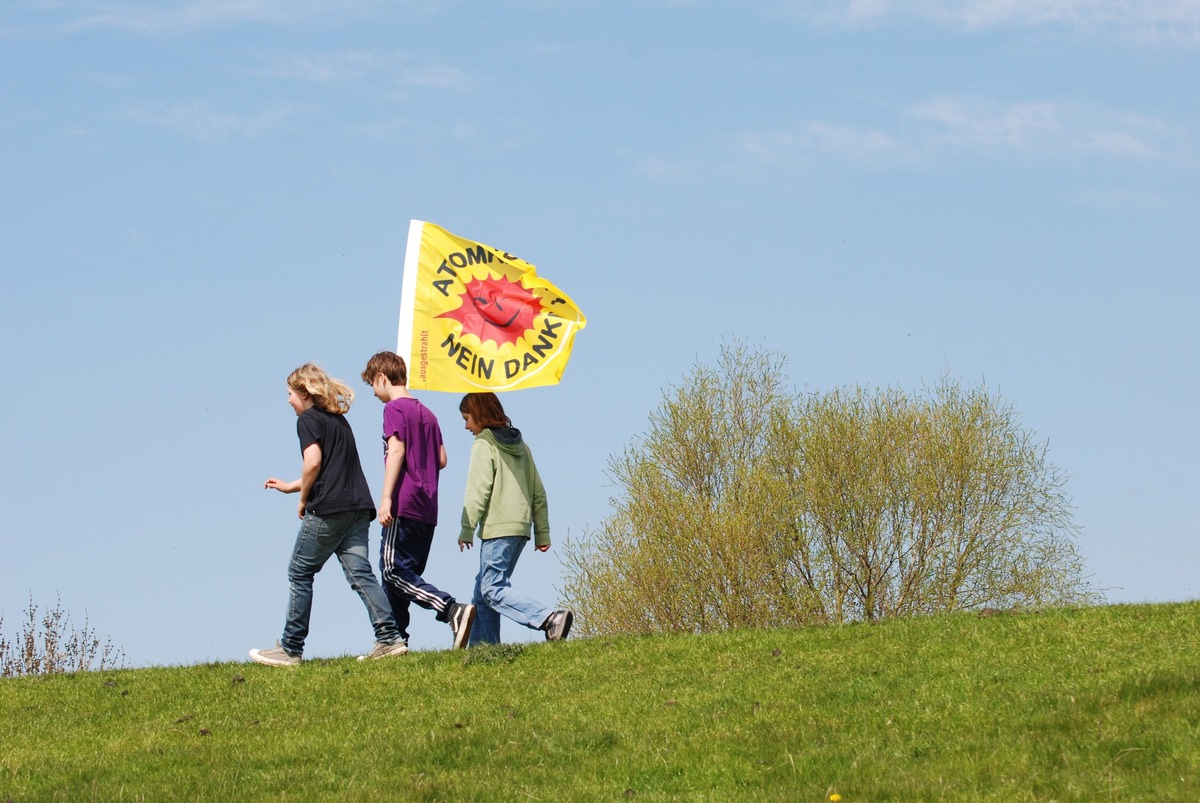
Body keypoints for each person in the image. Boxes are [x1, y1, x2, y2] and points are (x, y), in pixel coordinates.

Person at [250, 363, 407, 667]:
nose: (288, 401)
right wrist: (290, 487)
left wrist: (304, 499)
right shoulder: (338, 421)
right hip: (358, 508)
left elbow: (313, 463)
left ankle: (291, 648)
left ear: (304, 393)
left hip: (329, 510)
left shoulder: (307, 420)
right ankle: (390, 638)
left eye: (290, 394)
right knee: (361, 575)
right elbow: (329, 469)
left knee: (299, 572)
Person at [361, 351, 475, 650]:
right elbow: (442, 459)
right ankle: (394, 640)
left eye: (373, 384)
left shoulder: (394, 410)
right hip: (428, 508)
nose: (374, 392)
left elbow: (396, 451)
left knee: (392, 570)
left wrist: (385, 498)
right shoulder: (429, 413)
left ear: (382, 377)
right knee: (399, 579)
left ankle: (450, 609)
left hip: (404, 502)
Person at [457, 392, 573, 645]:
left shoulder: (484, 444)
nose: (466, 426)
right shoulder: (522, 447)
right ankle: (484, 650)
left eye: (467, 418)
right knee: (482, 592)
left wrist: (467, 527)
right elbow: (538, 493)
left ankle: (548, 618)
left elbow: (478, 489)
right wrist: (542, 532)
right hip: (520, 529)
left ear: (479, 414)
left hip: (498, 528)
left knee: (491, 588)